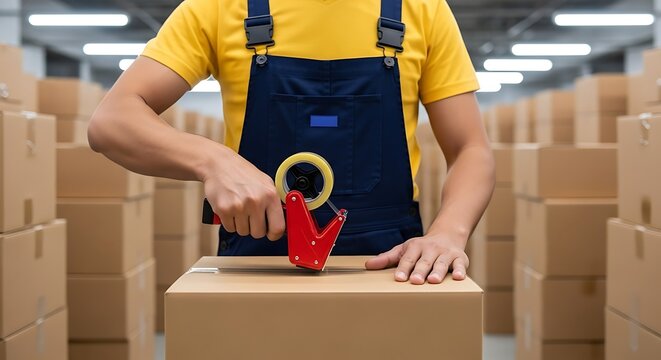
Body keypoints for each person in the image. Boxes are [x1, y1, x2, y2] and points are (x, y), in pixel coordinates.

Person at [88, 0, 495, 285]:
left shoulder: (421, 8)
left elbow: (470, 149)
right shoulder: (217, 7)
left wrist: (449, 233)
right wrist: (213, 160)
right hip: (258, 265)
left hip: (389, 267)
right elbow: (113, 120)